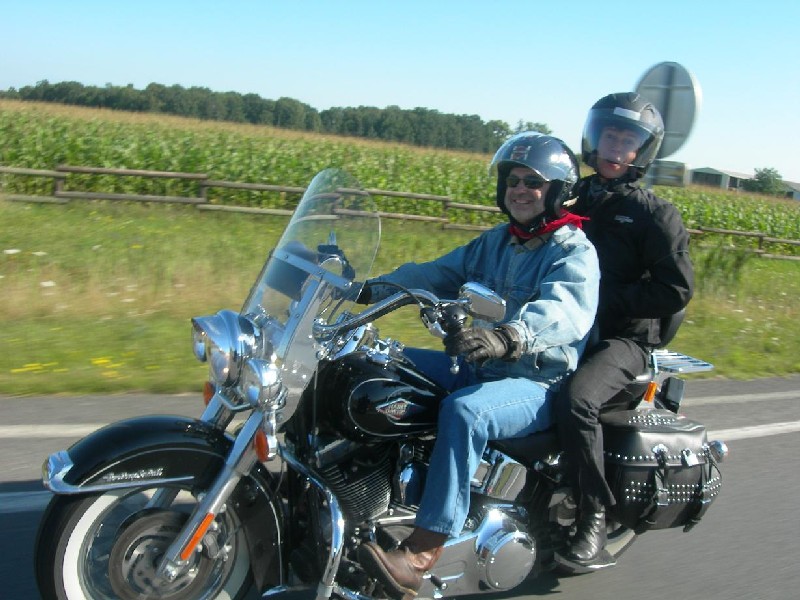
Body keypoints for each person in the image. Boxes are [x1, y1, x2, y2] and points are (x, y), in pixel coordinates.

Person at [355, 132, 600, 598]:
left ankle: (422, 550)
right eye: (513, 180)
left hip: (537, 381)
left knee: (465, 411)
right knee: (376, 362)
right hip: (480, 365)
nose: (520, 190)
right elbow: (432, 275)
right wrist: (367, 290)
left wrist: (509, 336)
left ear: (557, 191)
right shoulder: (495, 243)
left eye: (533, 182)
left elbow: (565, 311)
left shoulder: (573, 252)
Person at [555, 92, 695, 565]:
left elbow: (675, 290)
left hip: (623, 339)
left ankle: (592, 517)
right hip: (562, 324)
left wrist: (604, 301)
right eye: (609, 136)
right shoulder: (569, 197)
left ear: (642, 151)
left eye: (627, 140)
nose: (615, 147)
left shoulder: (654, 214)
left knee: (578, 400)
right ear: (594, 139)